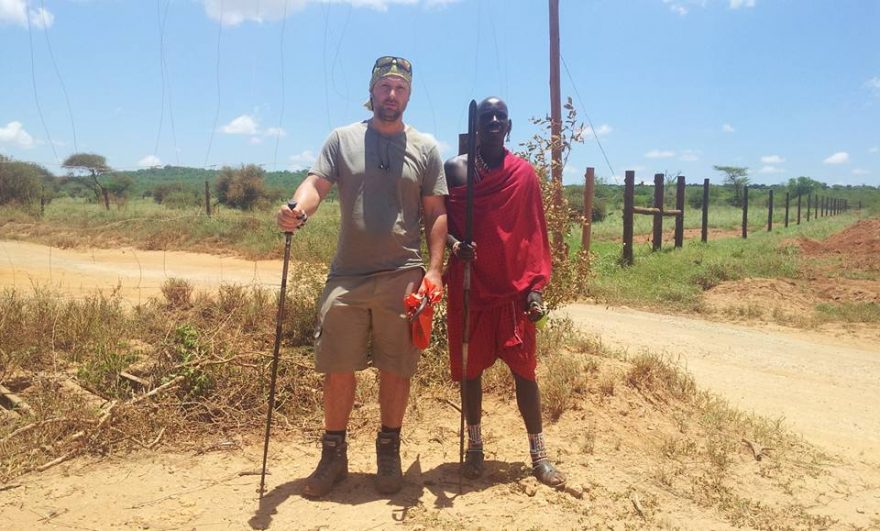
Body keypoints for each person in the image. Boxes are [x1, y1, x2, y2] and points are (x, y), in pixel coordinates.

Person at [276, 56, 448, 498]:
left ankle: (388, 451)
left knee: (396, 368)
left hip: (403, 274)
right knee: (338, 367)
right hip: (347, 276)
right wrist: (296, 210)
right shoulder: (342, 139)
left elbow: (436, 212)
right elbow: (315, 185)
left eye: (400, 88)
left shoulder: (426, 148)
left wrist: (434, 270)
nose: (392, 95)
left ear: (409, 95)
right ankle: (333, 456)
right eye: (385, 87)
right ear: (372, 91)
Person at [443, 96, 565, 488]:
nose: (494, 121)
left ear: (509, 126)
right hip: (470, 286)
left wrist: (535, 289)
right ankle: (475, 448)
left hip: (514, 290)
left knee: (525, 373)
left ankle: (539, 455)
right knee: (470, 372)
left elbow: (533, 234)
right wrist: (455, 246)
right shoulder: (455, 169)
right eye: (487, 116)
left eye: (501, 117)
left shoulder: (524, 174)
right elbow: (439, 223)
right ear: (476, 127)